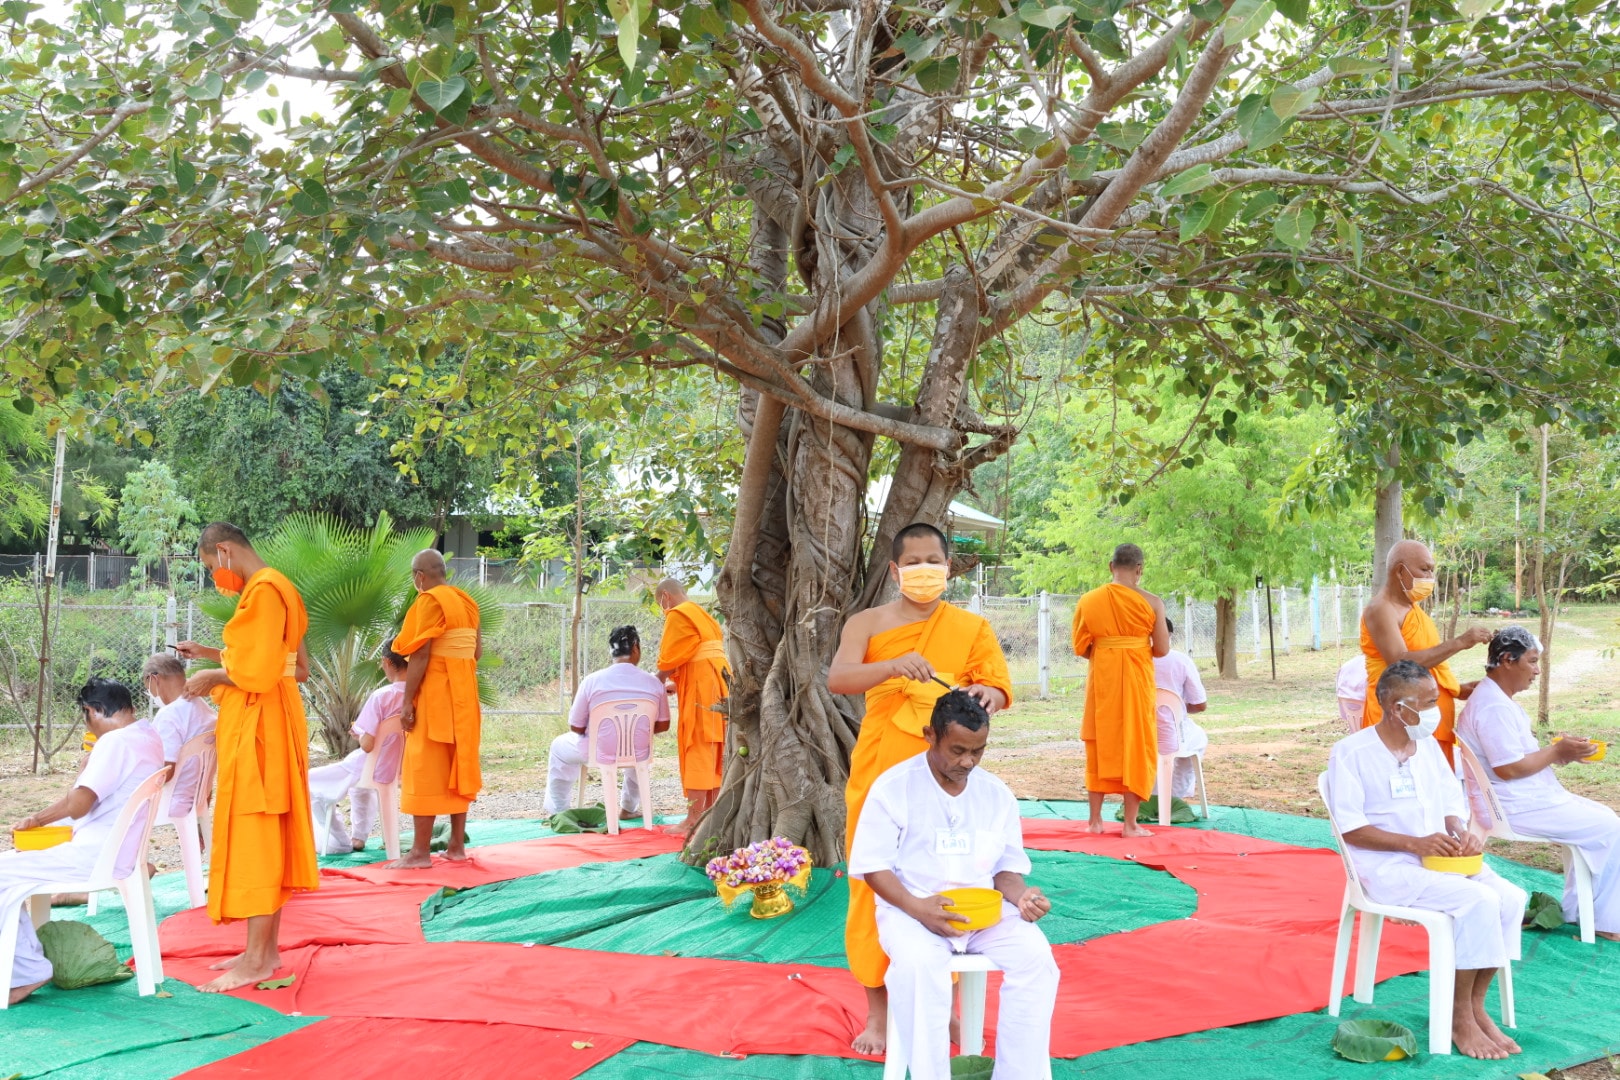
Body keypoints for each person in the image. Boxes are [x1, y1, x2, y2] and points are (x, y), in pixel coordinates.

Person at [828, 521, 1013, 1056]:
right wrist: (890, 666)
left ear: (949, 567)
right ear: (895, 570)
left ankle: (950, 1009)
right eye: (913, 563)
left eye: (934, 561)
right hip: (882, 762)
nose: (924, 571)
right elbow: (838, 678)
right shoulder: (867, 622)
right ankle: (878, 1014)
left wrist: (988, 693)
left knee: (950, 872)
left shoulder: (970, 627)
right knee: (872, 877)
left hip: (946, 769)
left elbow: (998, 686)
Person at [848, 689, 1059, 1080]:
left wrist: (1023, 896)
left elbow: (1006, 871)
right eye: (958, 750)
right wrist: (918, 909)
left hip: (982, 913)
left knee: (1037, 960)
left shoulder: (996, 794)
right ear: (930, 735)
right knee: (918, 966)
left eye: (978, 752)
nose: (968, 762)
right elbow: (874, 868)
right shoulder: (893, 788)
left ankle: (1019, 1075)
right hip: (911, 911)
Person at [1326, 659, 1524, 1060]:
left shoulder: (1430, 747)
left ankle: (1475, 1007)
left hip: (1439, 859)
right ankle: (1457, 1017)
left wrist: (1460, 830)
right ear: (1399, 708)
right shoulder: (1351, 753)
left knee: (1512, 898)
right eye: (1430, 702)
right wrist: (1415, 844)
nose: (1438, 710)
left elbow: (1451, 801)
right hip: (1386, 867)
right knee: (1479, 902)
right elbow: (1350, 829)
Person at [177, 521, 318, 993]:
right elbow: (294, 667)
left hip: (260, 727)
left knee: (257, 832)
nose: (217, 575)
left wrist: (212, 676)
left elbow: (255, 674)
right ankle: (265, 949)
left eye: (212, 566)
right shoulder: (284, 589)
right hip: (276, 719)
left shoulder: (261, 591)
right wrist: (212, 654)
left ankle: (258, 958)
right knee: (266, 832)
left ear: (224, 551)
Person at [3, 679, 164, 1004]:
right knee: (9, 865)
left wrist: (38, 819)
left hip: (95, 855)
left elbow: (79, 805)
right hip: (121, 853)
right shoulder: (148, 737)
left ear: (92, 711)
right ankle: (23, 963)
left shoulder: (114, 742)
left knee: (2, 871)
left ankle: (27, 971)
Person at [1456, 626, 1620, 942]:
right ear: (1507, 660)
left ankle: (1581, 910)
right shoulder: (1492, 706)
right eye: (1531, 662)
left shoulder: (1496, 699)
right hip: (1514, 806)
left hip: (1524, 798)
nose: (1536, 671)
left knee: (1601, 820)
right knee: (1609, 827)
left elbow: (1516, 758)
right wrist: (1557, 751)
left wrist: (1562, 753)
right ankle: (1605, 921)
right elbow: (1509, 768)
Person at [390, 550, 483, 869]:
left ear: (419, 576)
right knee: (459, 762)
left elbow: (419, 655)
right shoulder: (467, 602)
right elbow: (477, 652)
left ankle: (419, 853)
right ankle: (456, 846)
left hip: (436, 696)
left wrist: (407, 701)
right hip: (465, 695)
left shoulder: (428, 602)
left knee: (424, 765)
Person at [1360, 540, 1492, 763]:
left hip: (1430, 716)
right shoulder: (1381, 609)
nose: (1430, 577)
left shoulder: (1413, 609)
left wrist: (1456, 689)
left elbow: (1429, 661)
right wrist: (1460, 641)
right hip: (1399, 716)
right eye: (1424, 569)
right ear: (1400, 571)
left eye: (1432, 570)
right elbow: (1399, 664)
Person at [1072, 543, 1170, 836]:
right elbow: (1162, 649)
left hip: (1102, 679)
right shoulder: (1153, 602)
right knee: (1136, 743)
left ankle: (1095, 822)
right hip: (1136, 680)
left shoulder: (1089, 600)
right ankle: (1130, 825)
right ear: (1139, 569)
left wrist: (1108, 652)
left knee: (1100, 742)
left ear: (1110, 566)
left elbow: (1081, 647)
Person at [544, 625, 670, 816]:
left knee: (558, 747)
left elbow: (576, 726)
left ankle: (560, 810)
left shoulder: (592, 681)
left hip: (597, 752)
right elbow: (663, 725)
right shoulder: (654, 683)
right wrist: (633, 731)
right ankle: (628, 808)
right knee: (639, 745)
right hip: (637, 753)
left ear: (611, 650)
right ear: (636, 647)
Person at [308, 648, 407, 855]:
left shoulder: (382, 696)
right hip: (400, 768)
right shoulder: (421, 694)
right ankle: (359, 837)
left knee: (307, 781)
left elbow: (368, 745)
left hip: (367, 765)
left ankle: (340, 842)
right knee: (359, 788)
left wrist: (360, 735)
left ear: (387, 661)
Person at [654, 579, 729, 831]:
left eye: (661, 605)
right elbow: (700, 654)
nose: (664, 610)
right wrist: (679, 683)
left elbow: (669, 661)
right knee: (717, 747)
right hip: (719, 682)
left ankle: (693, 818)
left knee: (698, 745)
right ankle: (712, 816)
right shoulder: (703, 613)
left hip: (702, 687)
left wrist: (657, 682)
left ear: (666, 596)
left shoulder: (678, 613)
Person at [1153, 617, 1208, 801]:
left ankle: (1151, 797)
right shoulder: (1181, 660)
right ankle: (1173, 797)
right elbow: (1200, 704)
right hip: (1172, 733)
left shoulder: (1130, 661)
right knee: (1198, 740)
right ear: (1168, 635)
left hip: (1134, 733)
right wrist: (1173, 707)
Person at [141, 653, 217, 777]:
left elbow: (166, 772)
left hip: (171, 795)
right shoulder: (205, 709)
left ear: (155, 679)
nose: (152, 695)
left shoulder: (169, 715)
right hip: (200, 794)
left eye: (150, 689)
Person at [1338, 653, 1368, 733]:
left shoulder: (1346, 667)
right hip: (1381, 736)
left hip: (1355, 733)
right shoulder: (1383, 668)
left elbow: (1343, 714)